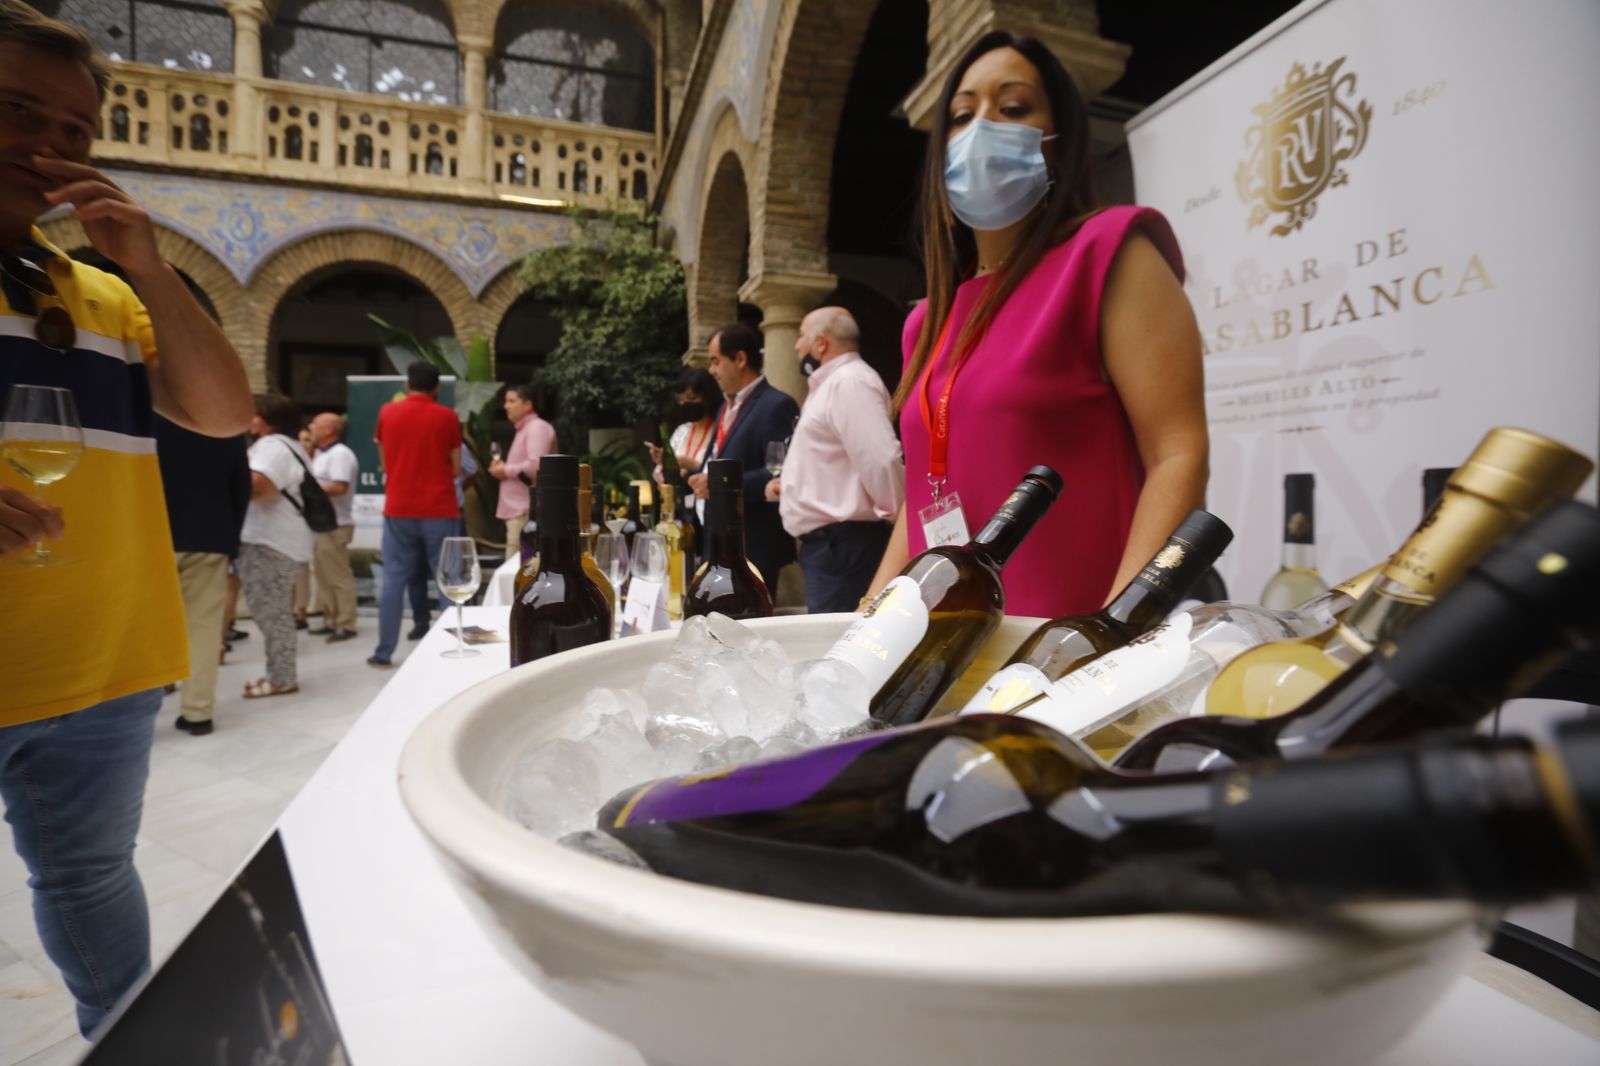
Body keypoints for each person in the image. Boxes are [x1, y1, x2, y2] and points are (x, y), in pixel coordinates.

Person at [0, 1, 253, 1034]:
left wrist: (144, 261)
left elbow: (222, 411)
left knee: (92, 879)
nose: (50, 146)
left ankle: (133, 1046)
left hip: (98, 663)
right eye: (18, 110)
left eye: (73, 131)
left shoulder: (95, 293)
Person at [865, 31, 1208, 617]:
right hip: (929, 645)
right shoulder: (924, 321)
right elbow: (925, 497)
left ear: (1056, 139)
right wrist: (866, 616)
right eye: (961, 115)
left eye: (1013, 107)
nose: (982, 128)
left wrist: (1112, 633)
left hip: (1064, 651)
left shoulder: (1108, 255)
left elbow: (1180, 454)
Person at [767, 307, 904, 612]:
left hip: (844, 546)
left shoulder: (850, 382)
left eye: (801, 336)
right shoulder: (833, 383)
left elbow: (881, 458)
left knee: (839, 645)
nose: (796, 345)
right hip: (833, 546)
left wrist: (899, 521)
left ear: (821, 343)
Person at [687, 322, 799, 595]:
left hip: (753, 546)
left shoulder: (777, 405)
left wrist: (717, 483)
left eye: (715, 361)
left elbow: (779, 474)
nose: (711, 370)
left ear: (740, 359)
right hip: (718, 544)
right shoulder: (727, 406)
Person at [155, 416, 251, 735]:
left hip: (150, 536)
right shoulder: (224, 423)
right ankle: (198, 712)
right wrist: (229, 538)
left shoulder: (143, 415)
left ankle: (154, 689)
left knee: (147, 624)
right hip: (209, 535)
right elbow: (241, 486)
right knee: (203, 627)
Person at [370, 360, 461, 667]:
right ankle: (455, 648)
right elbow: (458, 466)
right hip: (439, 506)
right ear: (437, 388)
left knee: (394, 579)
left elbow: (383, 460)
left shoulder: (387, 412)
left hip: (399, 507)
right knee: (447, 579)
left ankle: (383, 652)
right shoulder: (447, 417)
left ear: (407, 384)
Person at [239, 393, 315, 698]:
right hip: (279, 538)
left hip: (271, 540)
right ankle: (279, 674)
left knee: (272, 611)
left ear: (267, 420)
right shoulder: (288, 446)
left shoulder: (272, 448)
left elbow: (259, 488)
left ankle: (282, 678)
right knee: (273, 610)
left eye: (253, 412)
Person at [307, 411, 360, 642]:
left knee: (338, 576)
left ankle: (346, 623)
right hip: (319, 524)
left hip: (335, 524)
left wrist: (307, 491)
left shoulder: (340, 455)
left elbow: (339, 487)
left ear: (329, 430)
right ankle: (331, 618)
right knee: (323, 576)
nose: (311, 427)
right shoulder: (320, 454)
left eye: (315, 424)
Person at [488, 381, 557, 552]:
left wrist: (504, 470)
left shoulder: (537, 427)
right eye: (506, 402)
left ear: (527, 405)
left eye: (511, 401)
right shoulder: (525, 429)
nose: (506, 406)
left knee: (518, 567)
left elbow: (535, 466)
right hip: (521, 511)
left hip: (526, 513)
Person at [648, 366, 720, 483]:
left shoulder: (720, 431)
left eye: (692, 398)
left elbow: (724, 475)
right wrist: (663, 462)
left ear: (708, 397)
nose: (686, 404)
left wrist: (693, 465)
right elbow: (659, 474)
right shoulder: (682, 431)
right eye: (682, 399)